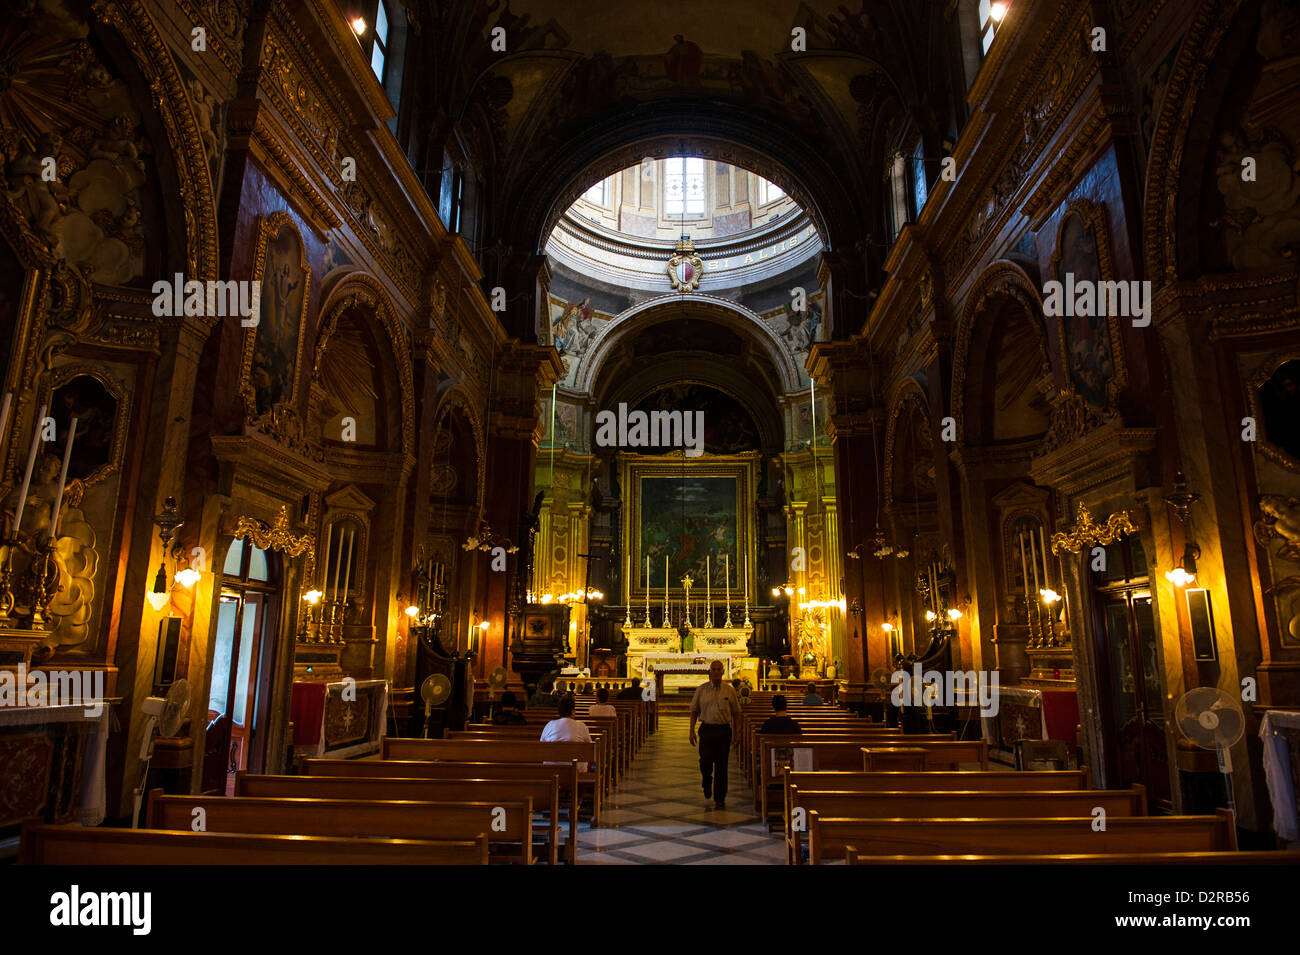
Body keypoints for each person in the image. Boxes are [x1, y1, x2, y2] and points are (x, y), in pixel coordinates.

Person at [689, 660, 741, 809]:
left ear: (723, 672)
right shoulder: (701, 690)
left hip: (724, 730)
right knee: (705, 761)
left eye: (719, 669)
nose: (717, 672)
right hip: (706, 730)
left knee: (722, 765)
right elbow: (694, 711)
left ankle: (720, 797)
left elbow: (737, 713)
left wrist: (737, 733)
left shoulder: (729, 690)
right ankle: (706, 780)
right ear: (709, 672)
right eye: (714, 669)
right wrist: (691, 730)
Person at [539, 695, 592, 772]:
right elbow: (589, 747)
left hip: (551, 769)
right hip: (576, 770)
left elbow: (542, 745)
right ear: (572, 711)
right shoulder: (581, 726)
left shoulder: (549, 725)